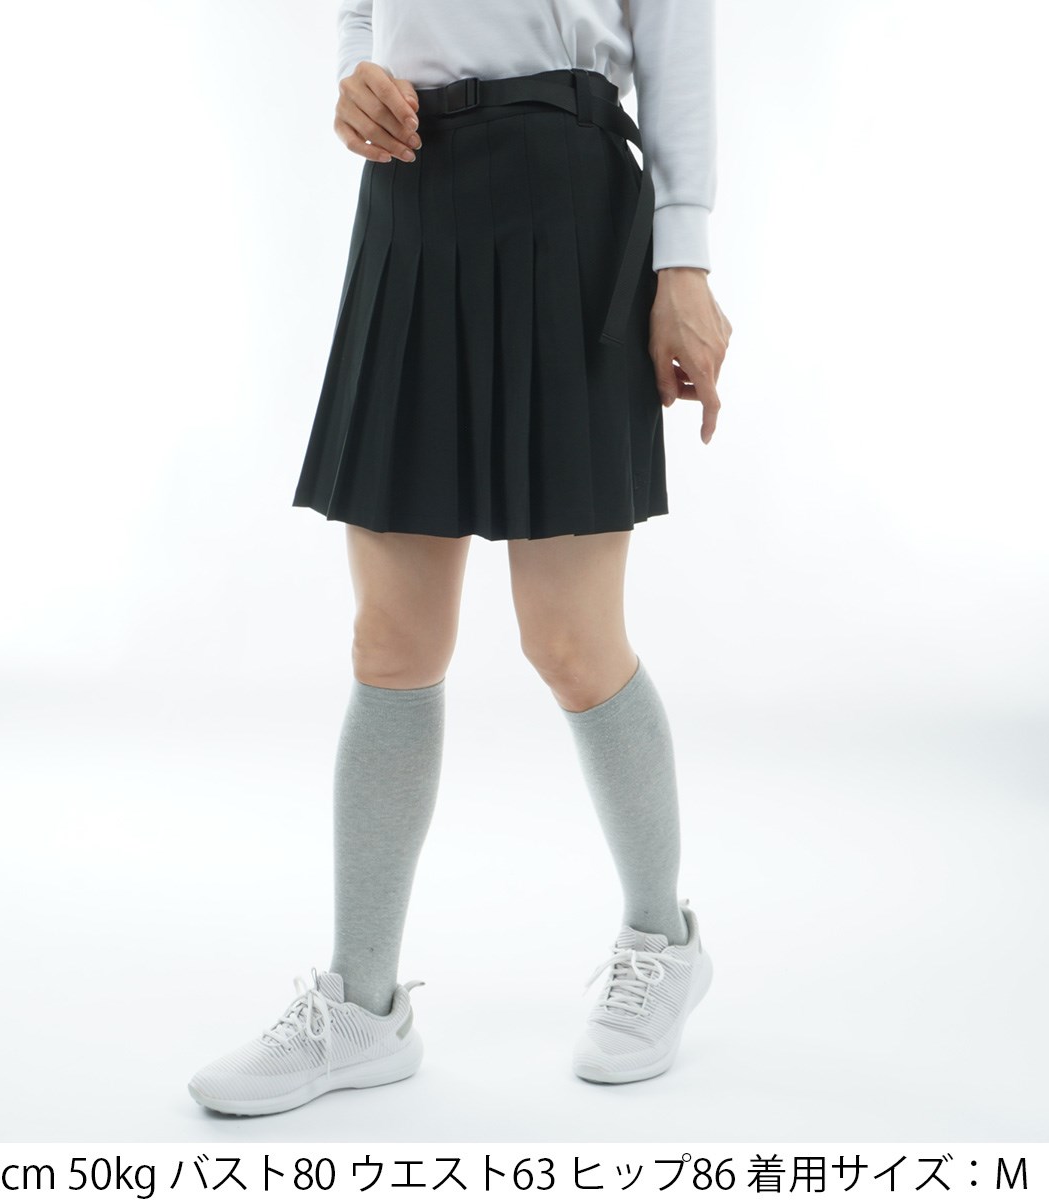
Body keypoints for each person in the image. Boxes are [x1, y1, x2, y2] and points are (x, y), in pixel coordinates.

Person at [188, 0, 732, 1116]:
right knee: (390, 640)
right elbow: (363, 11)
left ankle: (661, 940)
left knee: (572, 640)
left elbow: (677, 33)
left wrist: (684, 257)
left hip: (568, 192)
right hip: (411, 189)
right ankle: (362, 1007)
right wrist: (357, 75)